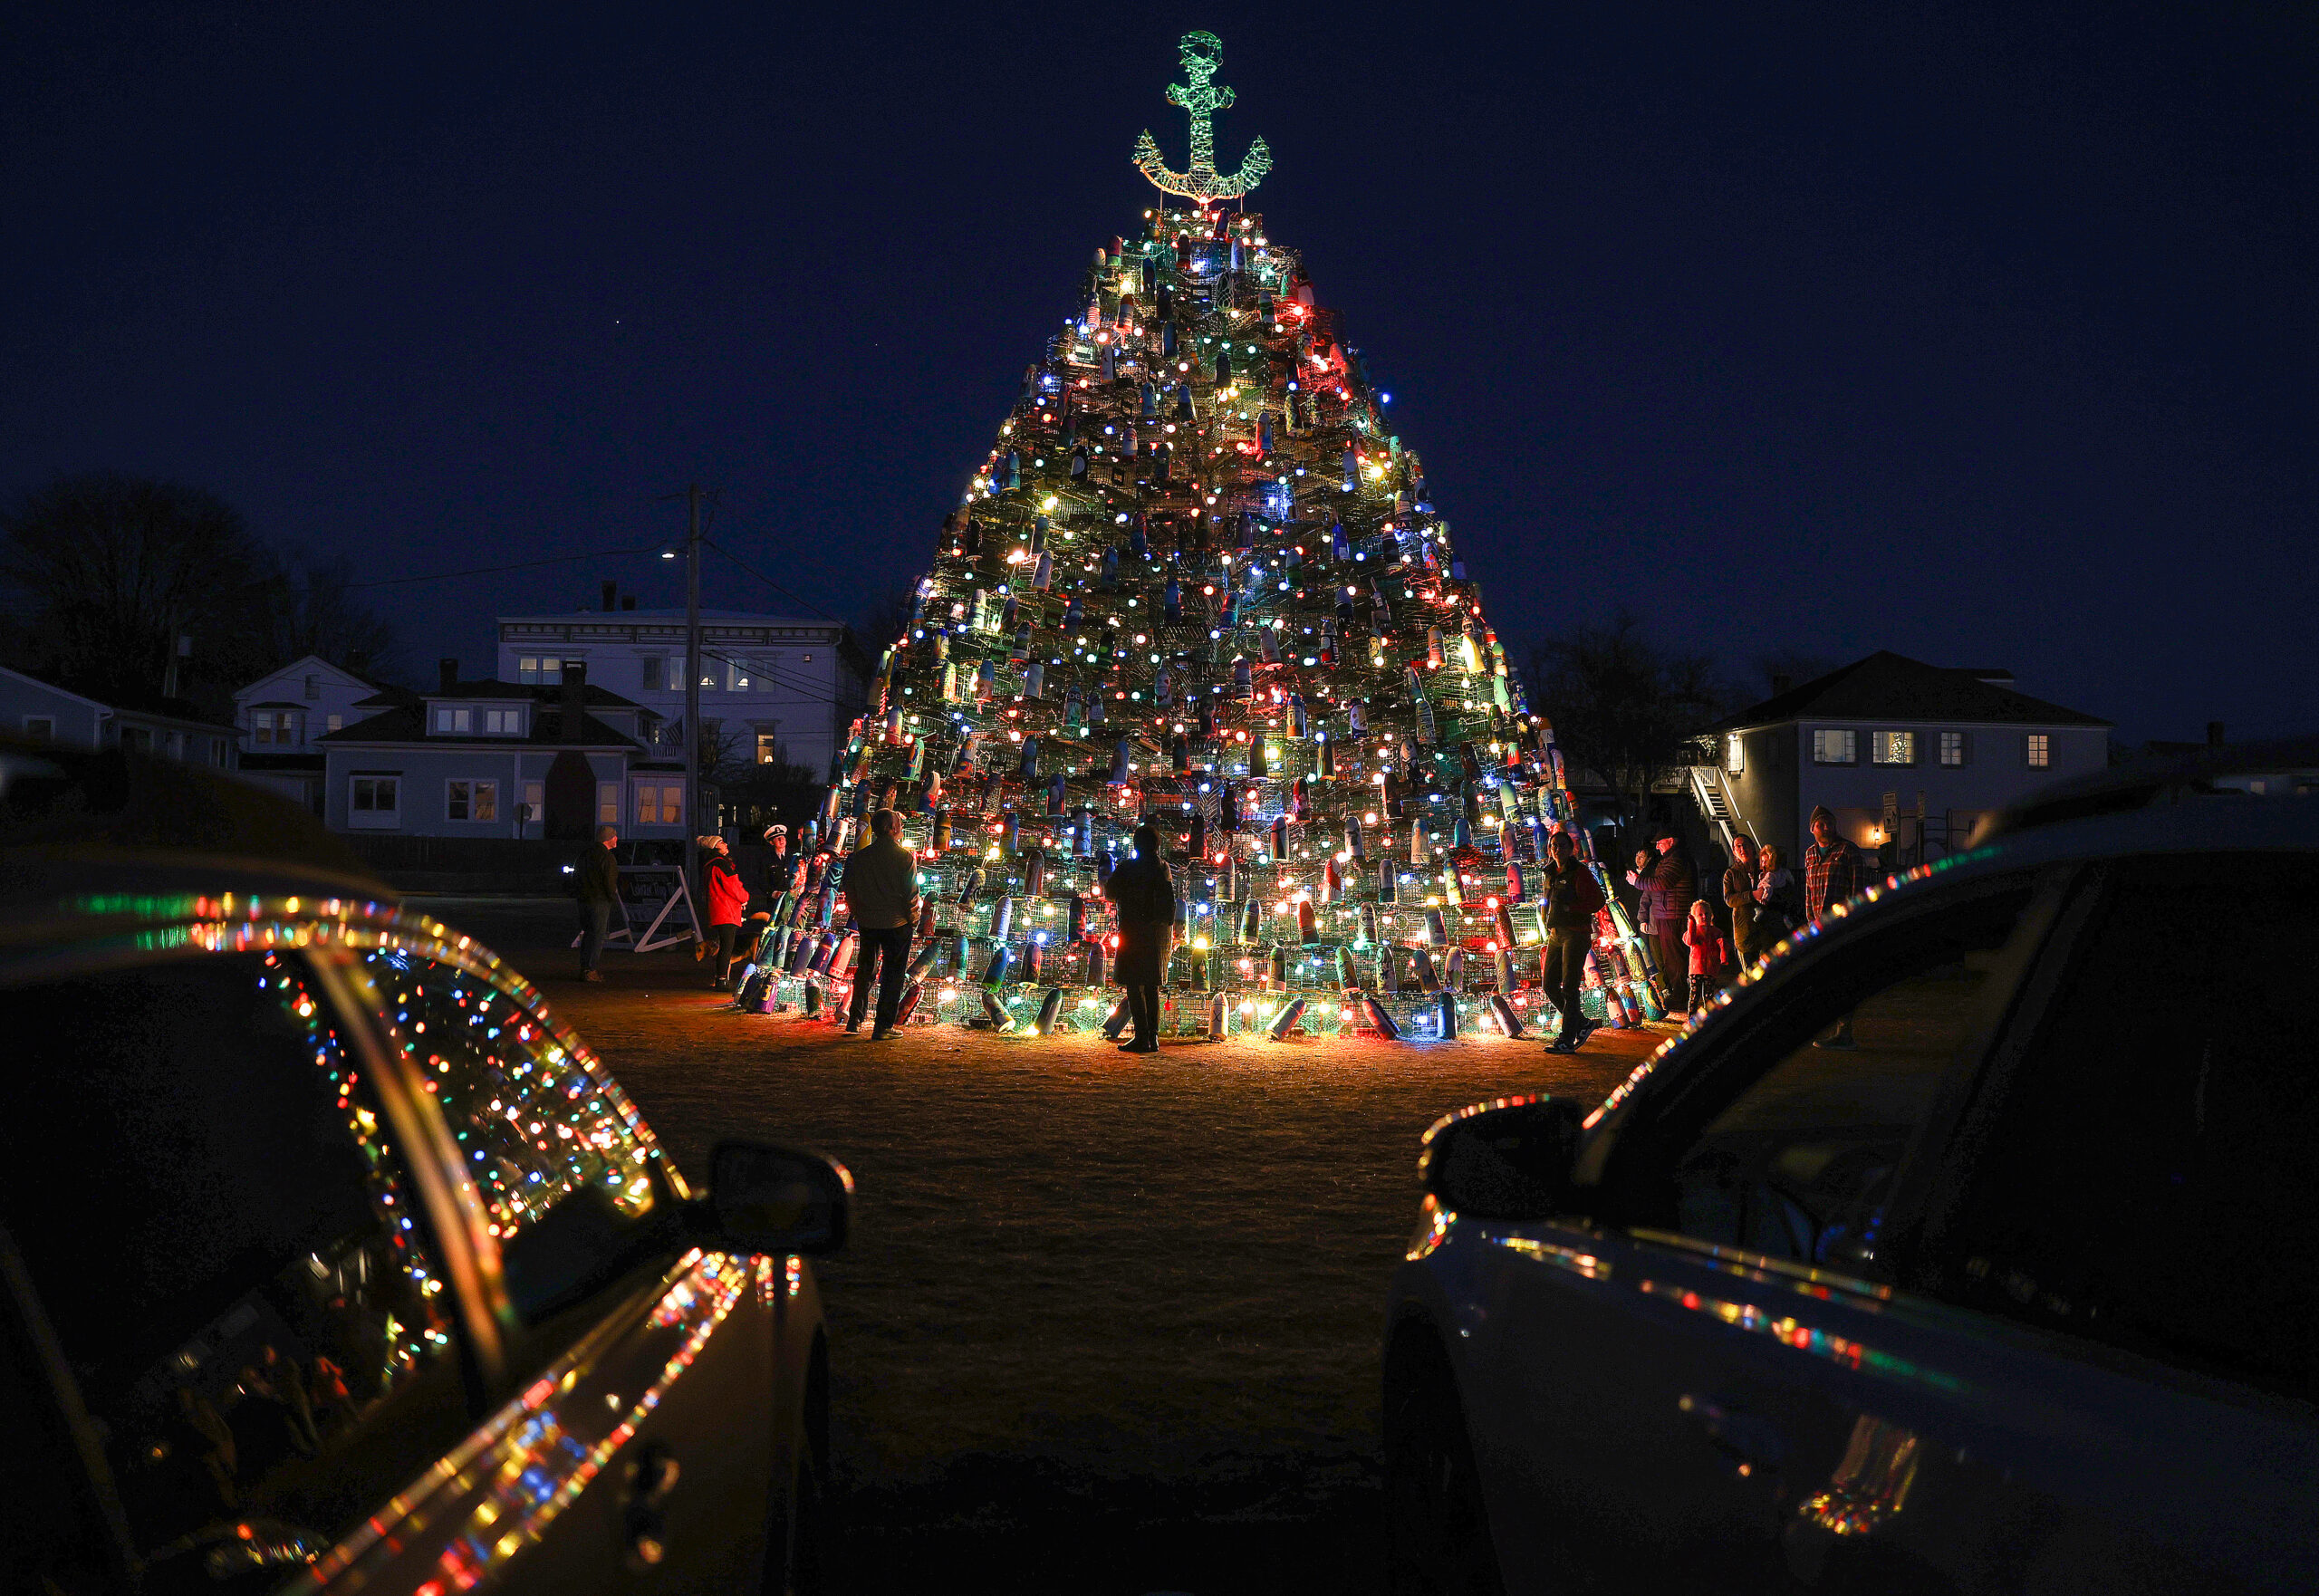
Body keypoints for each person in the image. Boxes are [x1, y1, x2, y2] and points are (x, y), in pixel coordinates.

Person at [841, 808, 919, 1039]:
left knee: (865, 970)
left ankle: (855, 1019)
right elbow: (910, 894)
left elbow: (849, 887)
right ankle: (883, 1026)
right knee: (892, 975)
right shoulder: (904, 857)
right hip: (896, 923)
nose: (901, 828)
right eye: (899, 824)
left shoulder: (860, 858)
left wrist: (857, 911)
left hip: (869, 922)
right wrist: (912, 918)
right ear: (892, 829)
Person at [1105, 822, 1177, 1053]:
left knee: (1134, 985)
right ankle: (1152, 1037)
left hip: (1134, 930)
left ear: (1136, 844)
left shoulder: (1128, 868)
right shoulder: (1163, 867)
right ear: (1157, 844)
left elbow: (1110, 892)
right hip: (1157, 934)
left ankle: (1141, 1036)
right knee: (1152, 984)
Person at [1803, 805, 1866, 1047]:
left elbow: (1858, 889)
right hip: (1819, 927)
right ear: (1812, 829)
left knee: (1842, 976)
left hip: (1841, 925)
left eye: (1829, 823)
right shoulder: (1810, 854)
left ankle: (1844, 1031)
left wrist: (1851, 920)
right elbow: (1808, 891)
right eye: (1821, 824)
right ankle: (1831, 1027)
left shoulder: (1848, 850)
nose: (1826, 827)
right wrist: (1810, 920)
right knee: (1825, 977)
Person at [1540, 829, 1605, 1053]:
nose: (1557, 849)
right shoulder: (1550, 872)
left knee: (1569, 987)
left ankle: (1567, 1039)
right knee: (1549, 984)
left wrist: (1572, 909)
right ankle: (1581, 1024)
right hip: (1555, 934)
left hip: (1575, 933)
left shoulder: (1580, 873)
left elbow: (1598, 900)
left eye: (1561, 845)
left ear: (1571, 849)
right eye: (1553, 846)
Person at [1634, 829, 1697, 1018]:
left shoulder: (1676, 859)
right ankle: (1677, 993)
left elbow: (1662, 883)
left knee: (1674, 958)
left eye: (1660, 842)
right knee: (1670, 958)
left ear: (1670, 840)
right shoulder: (1671, 859)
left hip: (1673, 914)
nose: (1657, 846)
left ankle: (1680, 995)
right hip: (1667, 913)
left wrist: (1637, 881)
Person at [700, 834, 749, 989]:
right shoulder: (721, 864)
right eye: (721, 842)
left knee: (724, 946)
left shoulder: (709, 865)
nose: (726, 844)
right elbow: (733, 886)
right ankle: (722, 980)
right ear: (715, 847)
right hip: (726, 910)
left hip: (718, 909)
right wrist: (744, 898)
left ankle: (720, 978)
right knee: (727, 947)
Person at [574, 823, 621, 981]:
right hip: (599, 900)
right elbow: (609, 882)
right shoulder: (607, 857)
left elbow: (576, 876)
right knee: (597, 936)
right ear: (609, 839)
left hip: (584, 900)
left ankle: (584, 968)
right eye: (615, 836)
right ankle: (591, 970)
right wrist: (611, 897)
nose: (617, 839)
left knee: (588, 934)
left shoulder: (585, 854)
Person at [1682, 899, 1727, 1014]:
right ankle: (1691, 1019)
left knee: (1708, 998)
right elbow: (1689, 941)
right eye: (1700, 914)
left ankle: (1708, 1020)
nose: (1703, 917)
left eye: (1706, 914)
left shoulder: (1716, 932)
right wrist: (1691, 924)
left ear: (1711, 915)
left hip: (1711, 969)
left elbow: (1723, 947)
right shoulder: (1693, 932)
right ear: (1694, 917)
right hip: (1696, 969)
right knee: (1694, 997)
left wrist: (1723, 954)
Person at [1723, 834, 1761, 967]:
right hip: (1744, 930)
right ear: (1734, 851)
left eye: (1745, 845)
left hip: (1765, 929)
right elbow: (1729, 899)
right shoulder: (1731, 874)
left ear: (1752, 847)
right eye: (1738, 846)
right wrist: (1751, 895)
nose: (1742, 849)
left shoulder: (1763, 868)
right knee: (1750, 973)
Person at [1754, 843, 1802, 938]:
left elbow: (1768, 887)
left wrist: (1765, 898)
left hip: (1772, 914)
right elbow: (1791, 880)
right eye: (1762, 861)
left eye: (1765, 861)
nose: (1763, 864)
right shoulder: (1783, 872)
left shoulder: (1770, 875)